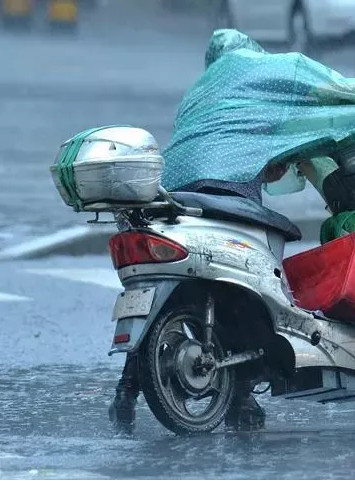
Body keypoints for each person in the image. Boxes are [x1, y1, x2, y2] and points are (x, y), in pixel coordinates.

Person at [108, 30, 292, 435]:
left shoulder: (197, 96)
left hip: (176, 199)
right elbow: (275, 164)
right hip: (230, 202)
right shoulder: (254, 99)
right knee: (251, 288)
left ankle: (125, 391)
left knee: (173, 294)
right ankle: (243, 396)